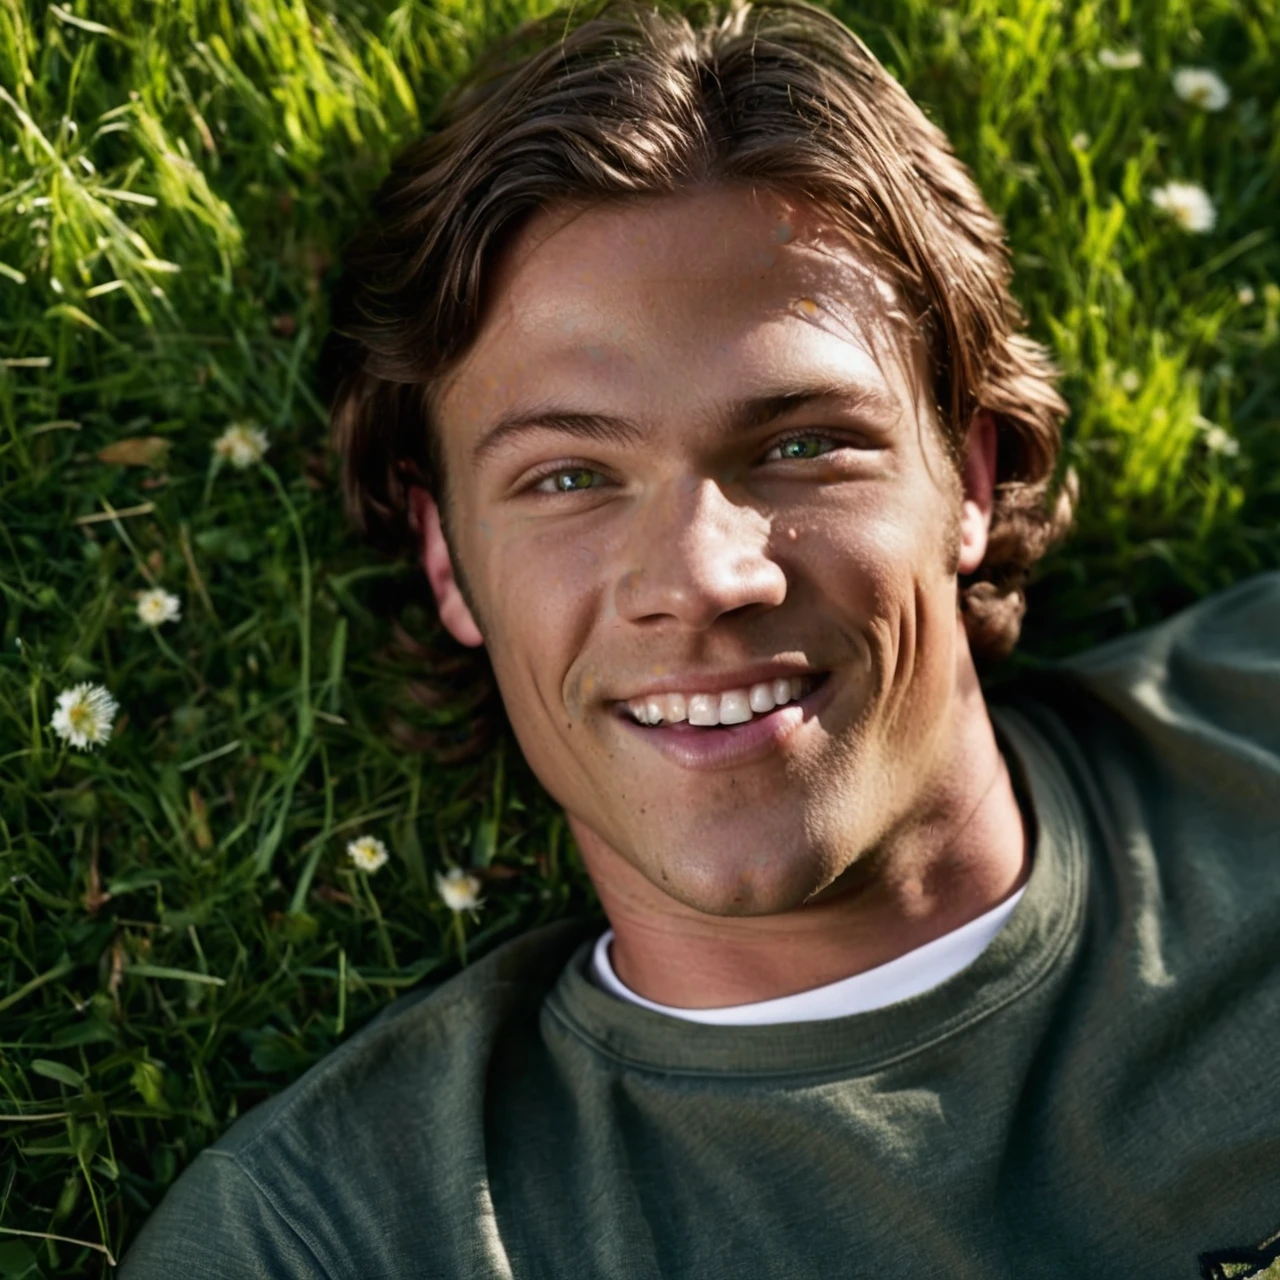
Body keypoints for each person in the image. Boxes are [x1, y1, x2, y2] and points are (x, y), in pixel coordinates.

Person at [120, 0, 1280, 1276]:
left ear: (965, 473)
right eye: (567, 476)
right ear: (448, 558)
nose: (701, 578)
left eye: (798, 445)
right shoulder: (331, 1245)